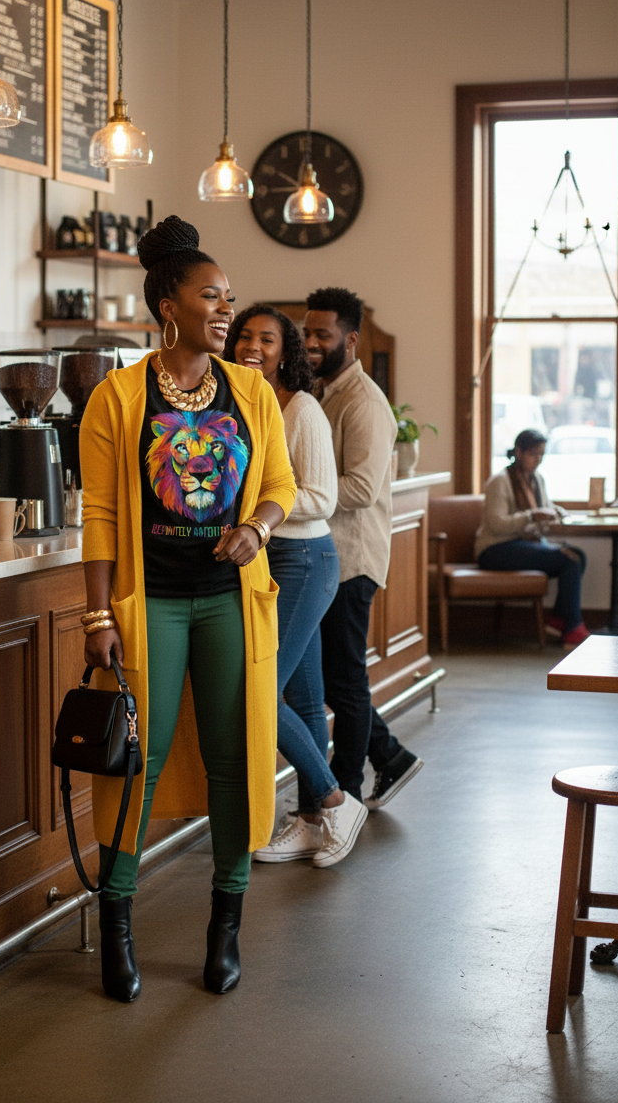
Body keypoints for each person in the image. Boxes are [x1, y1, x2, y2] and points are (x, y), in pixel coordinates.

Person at [80, 216, 296, 1003]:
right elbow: (99, 514)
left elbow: (281, 486)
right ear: (168, 304)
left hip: (230, 605)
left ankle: (225, 928)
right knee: (138, 761)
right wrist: (98, 617)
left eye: (229, 299)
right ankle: (117, 926)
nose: (225, 311)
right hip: (153, 606)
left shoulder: (251, 392)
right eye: (211, 296)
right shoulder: (118, 395)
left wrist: (255, 528)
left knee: (235, 760)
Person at [225, 305, 366, 867]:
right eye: (244, 337)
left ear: (286, 351)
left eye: (266, 339)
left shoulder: (301, 408)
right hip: (269, 559)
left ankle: (335, 800)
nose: (251, 347)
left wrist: (257, 512)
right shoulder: (241, 403)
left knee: (254, 688)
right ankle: (311, 819)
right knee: (306, 700)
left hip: (304, 559)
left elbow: (321, 497)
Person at [304, 287, 423, 815]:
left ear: (350, 340)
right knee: (334, 679)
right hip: (328, 557)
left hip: (352, 560)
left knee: (345, 681)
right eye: (306, 333)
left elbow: (362, 489)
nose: (309, 343)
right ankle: (390, 757)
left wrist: (296, 495)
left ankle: (346, 795)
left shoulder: (365, 402)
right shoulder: (326, 392)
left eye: (320, 335)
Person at [475, 428, 589, 647]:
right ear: (519, 451)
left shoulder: (536, 479)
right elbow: (496, 524)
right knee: (569, 559)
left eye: (541, 454)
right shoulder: (500, 481)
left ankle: (557, 620)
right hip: (495, 549)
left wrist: (556, 511)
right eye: (533, 454)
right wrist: (532, 516)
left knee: (578, 555)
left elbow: (543, 507)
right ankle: (572, 628)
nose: (538, 459)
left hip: (522, 544)